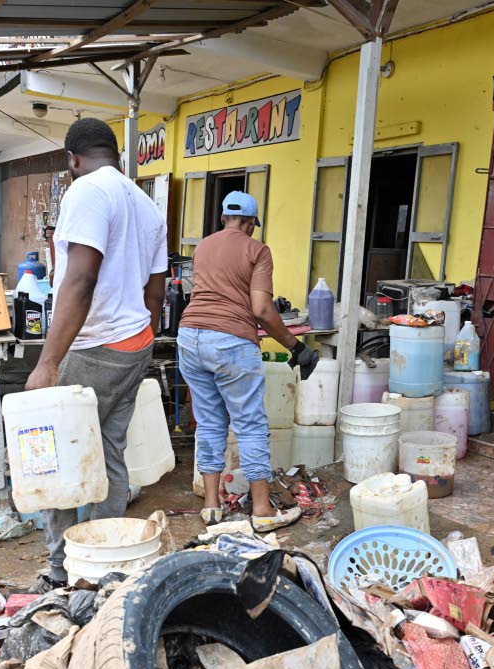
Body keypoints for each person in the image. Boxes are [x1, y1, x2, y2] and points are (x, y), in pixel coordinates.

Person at [24, 118, 168, 591]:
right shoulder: (146, 203)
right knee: (108, 451)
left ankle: (62, 568)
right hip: (135, 343)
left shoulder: (85, 192)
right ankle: (109, 562)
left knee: (61, 455)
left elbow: (80, 279)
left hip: (96, 344)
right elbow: (155, 289)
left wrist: (48, 362)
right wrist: (140, 341)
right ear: (117, 156)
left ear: (73, 160)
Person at [177, 191, 319, 531]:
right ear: (252, 222)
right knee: (250, 424)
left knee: (209, 422)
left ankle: (212, 506)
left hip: (190, 336)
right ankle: (261, 510)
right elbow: (261, 309)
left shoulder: (203, 247)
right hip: (230, 341)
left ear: (224, 218)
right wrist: (295, 347)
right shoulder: (257, 250)